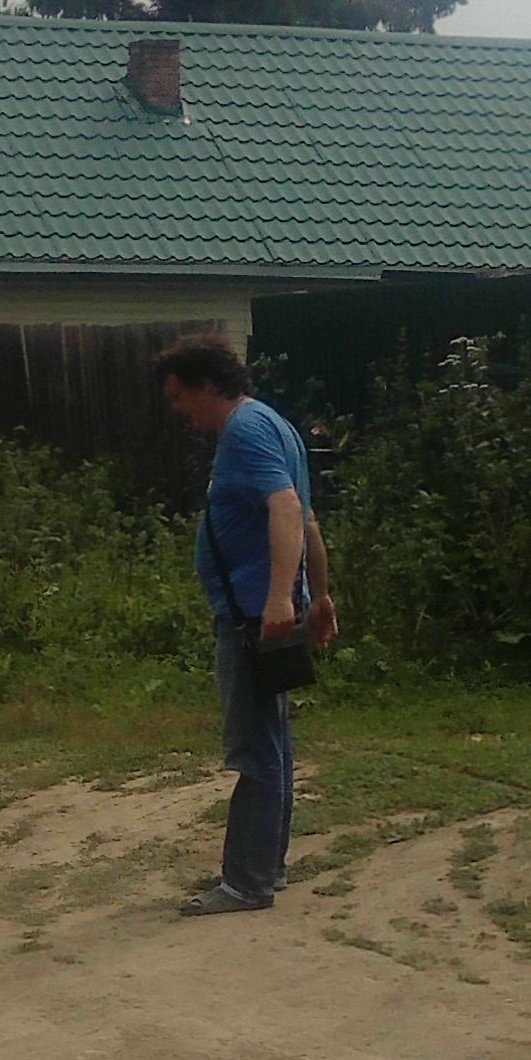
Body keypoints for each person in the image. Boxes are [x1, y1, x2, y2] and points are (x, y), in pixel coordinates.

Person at [157, 334, 339, 916]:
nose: (179, 411)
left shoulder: (246, 431)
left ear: (208, 385)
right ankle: (266, 867)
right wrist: (320, 595)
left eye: (180, 397)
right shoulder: (274, 424)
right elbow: (307, 519)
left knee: (255, 747)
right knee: (272, 741)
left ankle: (246, 882)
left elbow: (286, 508)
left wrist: (281, 598)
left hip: (253, 618)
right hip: (265, 610)